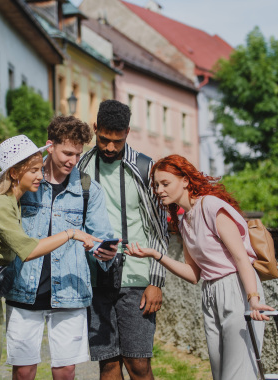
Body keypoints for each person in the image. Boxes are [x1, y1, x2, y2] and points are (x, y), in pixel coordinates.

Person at [0, 135, 101, 380]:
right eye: (34, 170)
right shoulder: (1, 205)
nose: (40, 175)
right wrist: (71, 232)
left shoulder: (15, 203)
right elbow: (28, 251)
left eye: (40, 169)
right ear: (15, 173)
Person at [125, 154, 275, 380]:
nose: (159, 190)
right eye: (156, 185)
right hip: (210, 292)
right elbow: (194, 274)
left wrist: (253, 299)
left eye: (165, 183)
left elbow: (242, 259)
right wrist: (156, 254)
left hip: (236, 288)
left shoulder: (211, 206)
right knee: (219, 372)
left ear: (185, 180)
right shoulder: (184, 221)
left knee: (238, 375)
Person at [4, 116, 118, 380]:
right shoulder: (25, 183)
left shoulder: (88, 189)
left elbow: (101, 237)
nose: (72, 160)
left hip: (70, 290)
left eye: (78, 155)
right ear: (50, 146)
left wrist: (104, 252)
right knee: (23, 371)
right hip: (24, 288)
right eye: (67, 152)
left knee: (65, 371)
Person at [78, 100, 169, 380]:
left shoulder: (144, 169)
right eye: (104, 139)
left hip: (137, 279)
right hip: (94, 278)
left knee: (138, 363)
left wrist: (156, 282)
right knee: (107, 363)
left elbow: (159, 230)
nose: (110, 147)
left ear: (127, 132)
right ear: (96, 129)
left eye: (117, 141)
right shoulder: (80, 166)